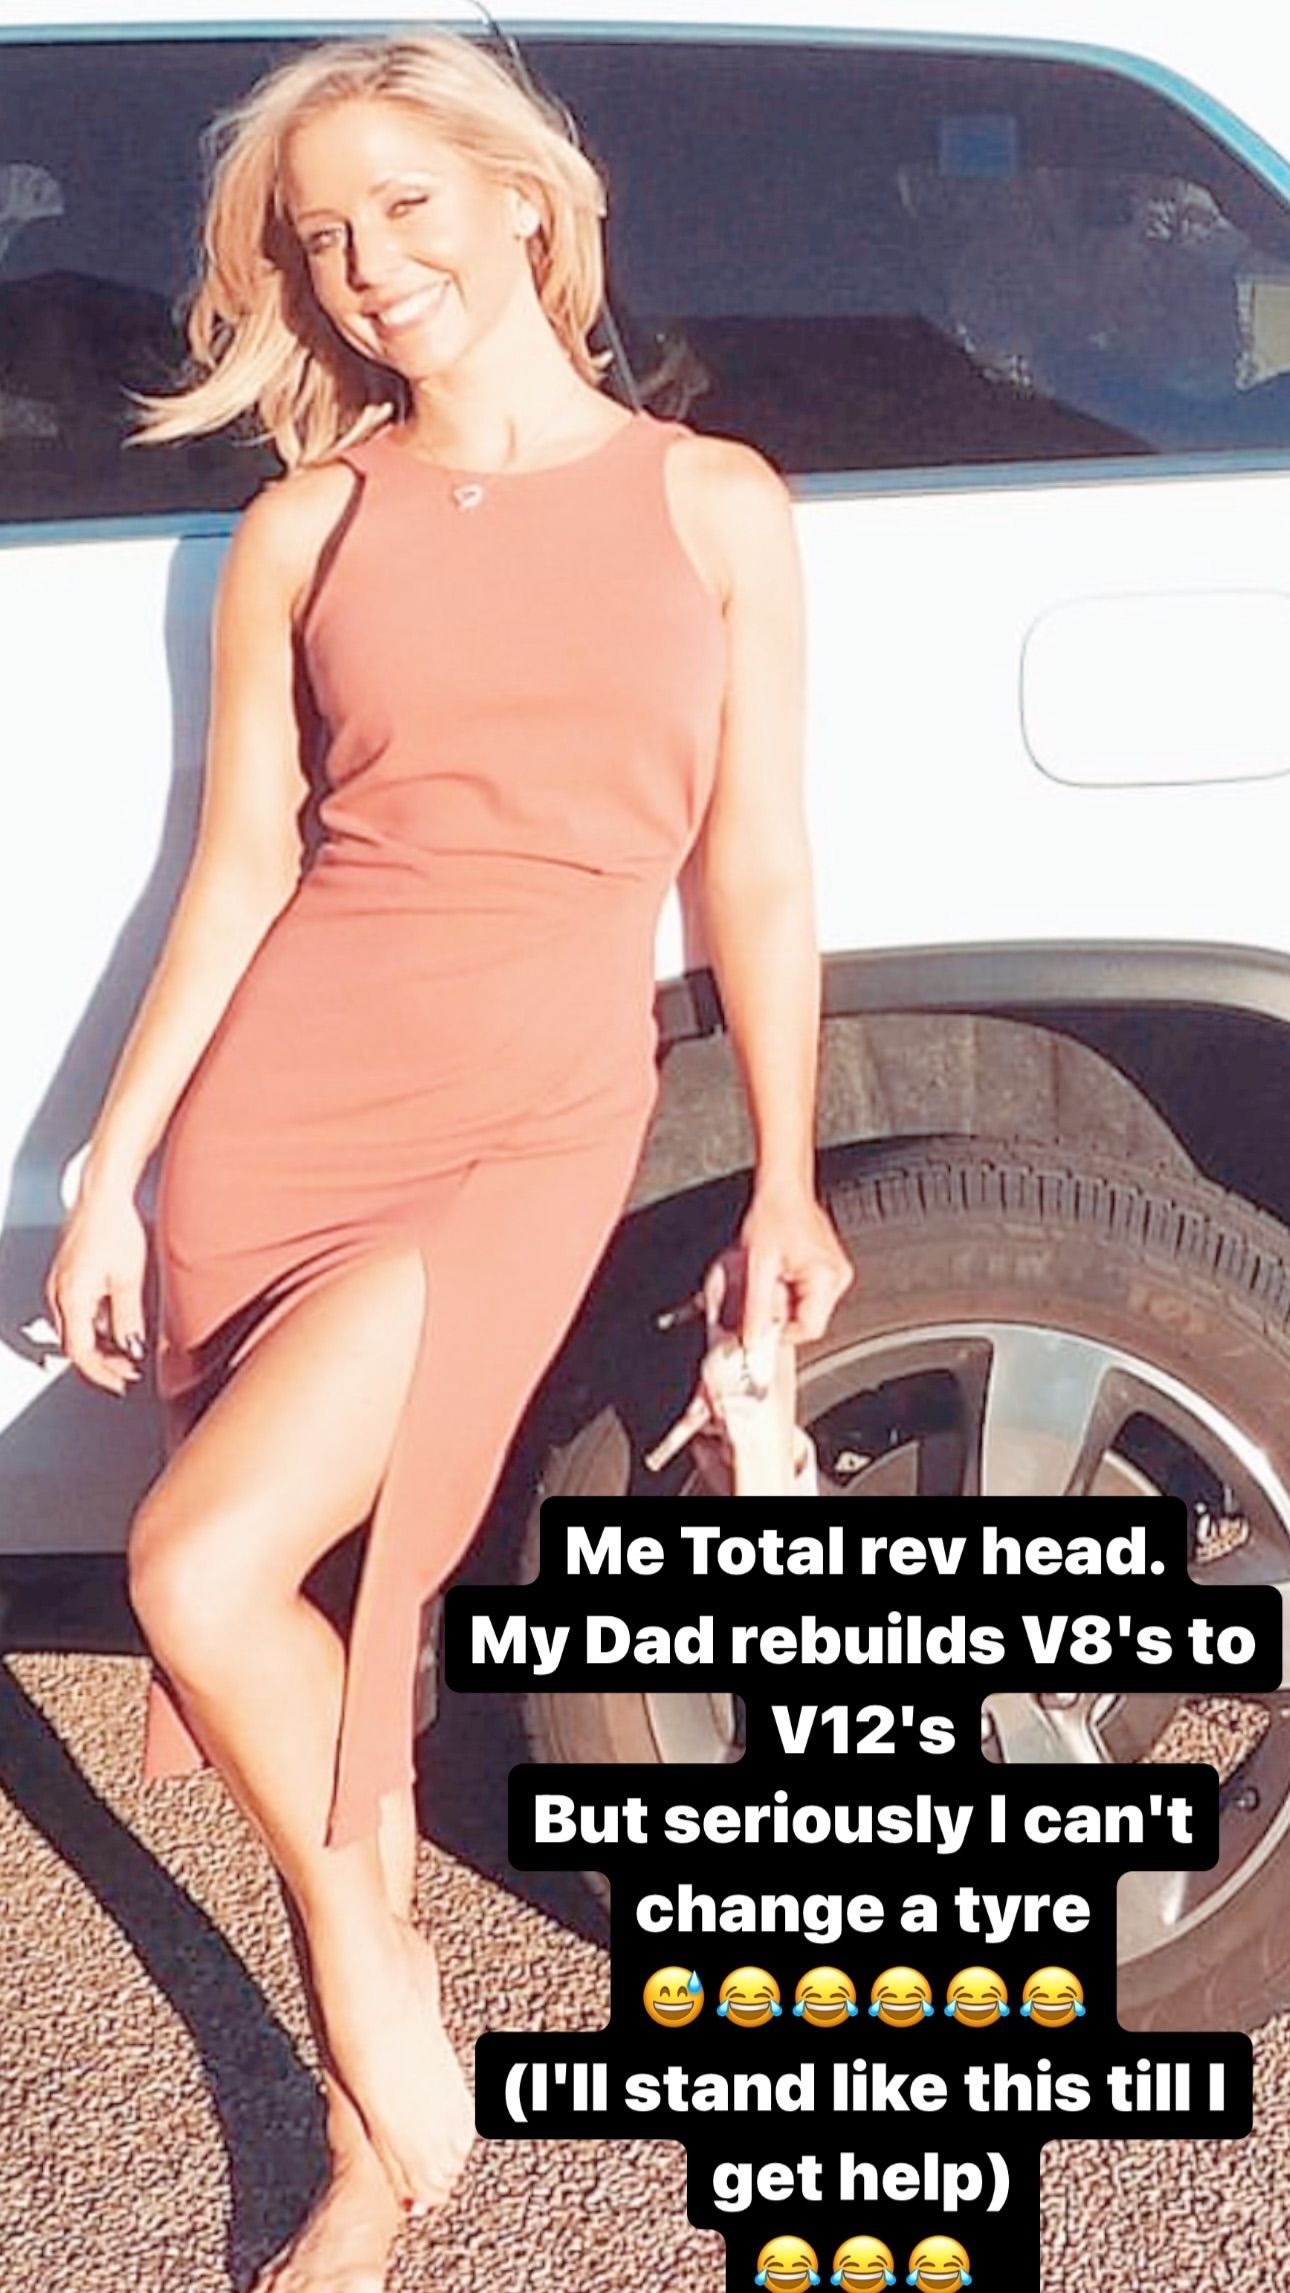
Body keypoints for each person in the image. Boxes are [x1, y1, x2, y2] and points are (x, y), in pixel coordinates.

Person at [43, 29, 853, 2293]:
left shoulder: (713, 501)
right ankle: (370, 2159)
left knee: (207, 1572)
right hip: (286, 1109)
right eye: (323, 237)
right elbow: (239, 870)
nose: (368, 263)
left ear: (525, 203)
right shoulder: (307, 525)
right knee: (281, 1612)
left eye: (405, 204)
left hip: (525, 1111)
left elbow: (757, 865)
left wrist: (785, 1172)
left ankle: (374, 1990)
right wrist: (114, 1173)